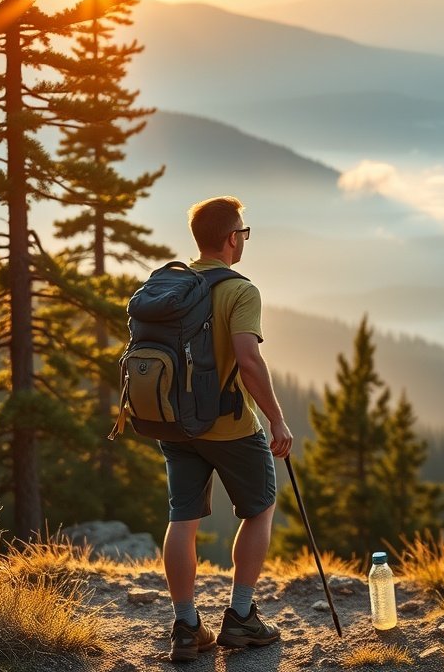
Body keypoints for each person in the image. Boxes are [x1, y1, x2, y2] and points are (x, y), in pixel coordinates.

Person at [162, 196, 294, 663]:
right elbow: (248, 359)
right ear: (229, 238)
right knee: (259, 508)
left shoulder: (171, 286)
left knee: (183, 518)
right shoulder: (239, 290)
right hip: (230, 425)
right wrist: (276, 418)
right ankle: (240, 618)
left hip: (175, 423)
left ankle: (185, 626)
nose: (243, 238)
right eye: (243, 231)